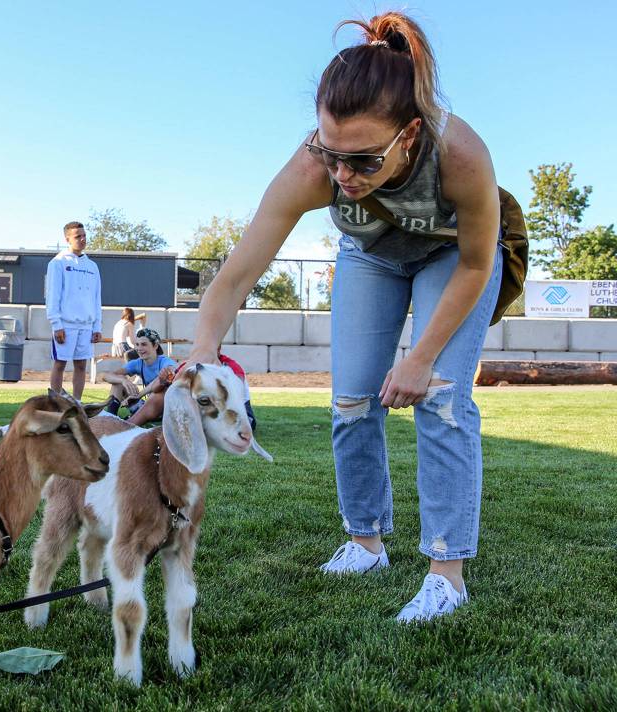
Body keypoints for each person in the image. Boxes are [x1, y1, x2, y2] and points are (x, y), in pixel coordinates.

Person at [187, 12, 503, 623]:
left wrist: (418, 358)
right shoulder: (313, 167)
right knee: (352, 401)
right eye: (332, 155)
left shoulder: (458, 152)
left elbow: (475, 263)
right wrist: (203, 347)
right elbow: (233, 277)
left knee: (439, 397)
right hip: (371, 258)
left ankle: (446, 573)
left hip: (452, 259)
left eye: (362, 161)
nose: (342, 176)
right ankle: (366, 542)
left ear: (409, 134)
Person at [46, 221, 102, 401]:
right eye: (78, 236)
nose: (82, 239)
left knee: (81, 365)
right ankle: (55, 402)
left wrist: (97, 326)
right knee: (60, 363)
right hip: (66, 324)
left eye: (84, 235)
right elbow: (53, 295)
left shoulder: (92, 266)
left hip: (86, 325)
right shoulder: (58, 262)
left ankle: (77, 403)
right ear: (67, 238)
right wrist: (56, 324)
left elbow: (96, 298)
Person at [102, 328, 177, 426]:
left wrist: (139, 394)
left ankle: (127, 423)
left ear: (155, 345)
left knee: (159, 390)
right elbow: (104, 376)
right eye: (137, 344)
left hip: (165, 408)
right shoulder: (138, 363)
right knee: (118, 382)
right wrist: (123, 380)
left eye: (144, 344)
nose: (139, 348)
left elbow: (167, 375)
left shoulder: (164, 361)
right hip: (149, 406)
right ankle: (110, 418)